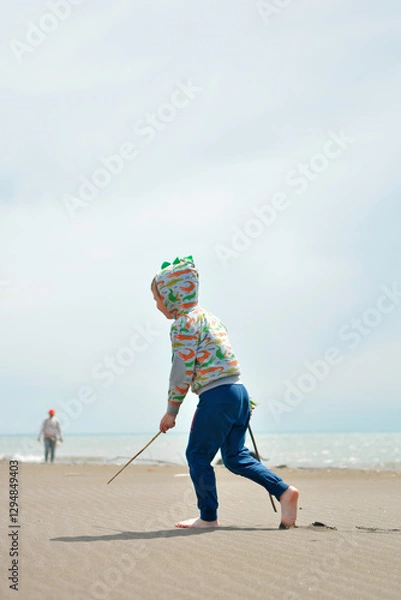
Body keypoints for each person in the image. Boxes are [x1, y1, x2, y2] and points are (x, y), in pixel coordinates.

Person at [151, 255, 299, 529]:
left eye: (159, 299)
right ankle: (284, 492)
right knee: (234, 456)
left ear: (173, 294)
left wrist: (171, 412)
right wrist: (242, 400)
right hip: (238, 392)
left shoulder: (184, 323)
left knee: (197, 455)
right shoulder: (211, 318)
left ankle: (208, 517)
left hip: (217, 397)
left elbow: (181, 369)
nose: (157, 306)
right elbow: (224, 357)